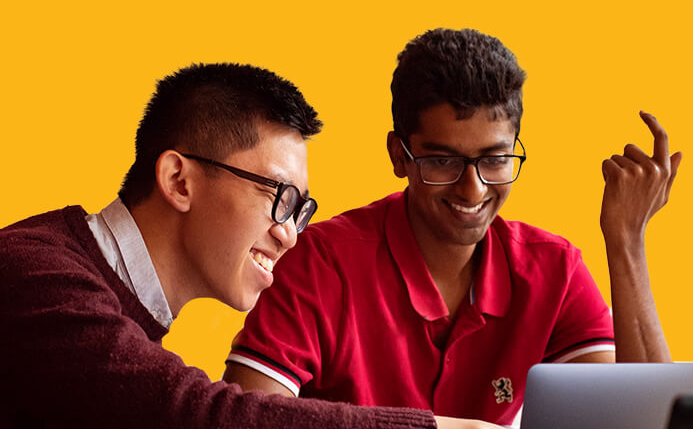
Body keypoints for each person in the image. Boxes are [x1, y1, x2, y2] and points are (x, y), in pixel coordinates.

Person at [223, 29, 681, 426]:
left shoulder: (553, 269)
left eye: (495, 159)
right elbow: (247, 419)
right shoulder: (321, 262)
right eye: (443, 161)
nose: (473, 189)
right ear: (400, 156)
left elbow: (646, 419)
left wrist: (626, 241)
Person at [0, 63, 492, 428]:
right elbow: (205, 415)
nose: (290, 232)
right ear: (179, 180)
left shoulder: (116, 314)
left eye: (301, 209)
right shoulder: (32, 274)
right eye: (279, 197)